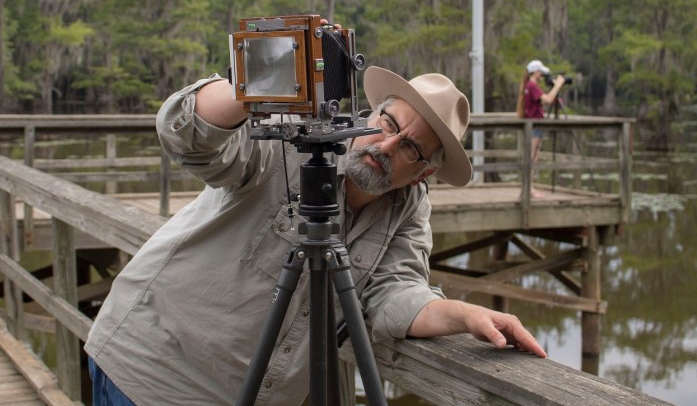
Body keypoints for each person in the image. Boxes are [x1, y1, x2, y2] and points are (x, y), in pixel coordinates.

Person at [85, 63, 548, 405]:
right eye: (388, 124)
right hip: (150, 373)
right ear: (372, 112)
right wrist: (256, 83)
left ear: (422, 173)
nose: (385, 145)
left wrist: (463, 315)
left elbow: (393, 293)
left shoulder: (407, 207)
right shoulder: (293, 141)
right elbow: (187, 136)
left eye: (408, 146)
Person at [517, 60, 566, 197]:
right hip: (534, 127)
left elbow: (540, 102)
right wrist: (558, 85)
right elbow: (548, 99)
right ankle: (529, 189)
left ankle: (528, 188)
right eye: (541, 72)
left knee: (532, 157)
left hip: (532, 126)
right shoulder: (532, 86)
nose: (542, 75)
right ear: (536, 72)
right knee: (532, 158)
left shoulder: (529, 86)